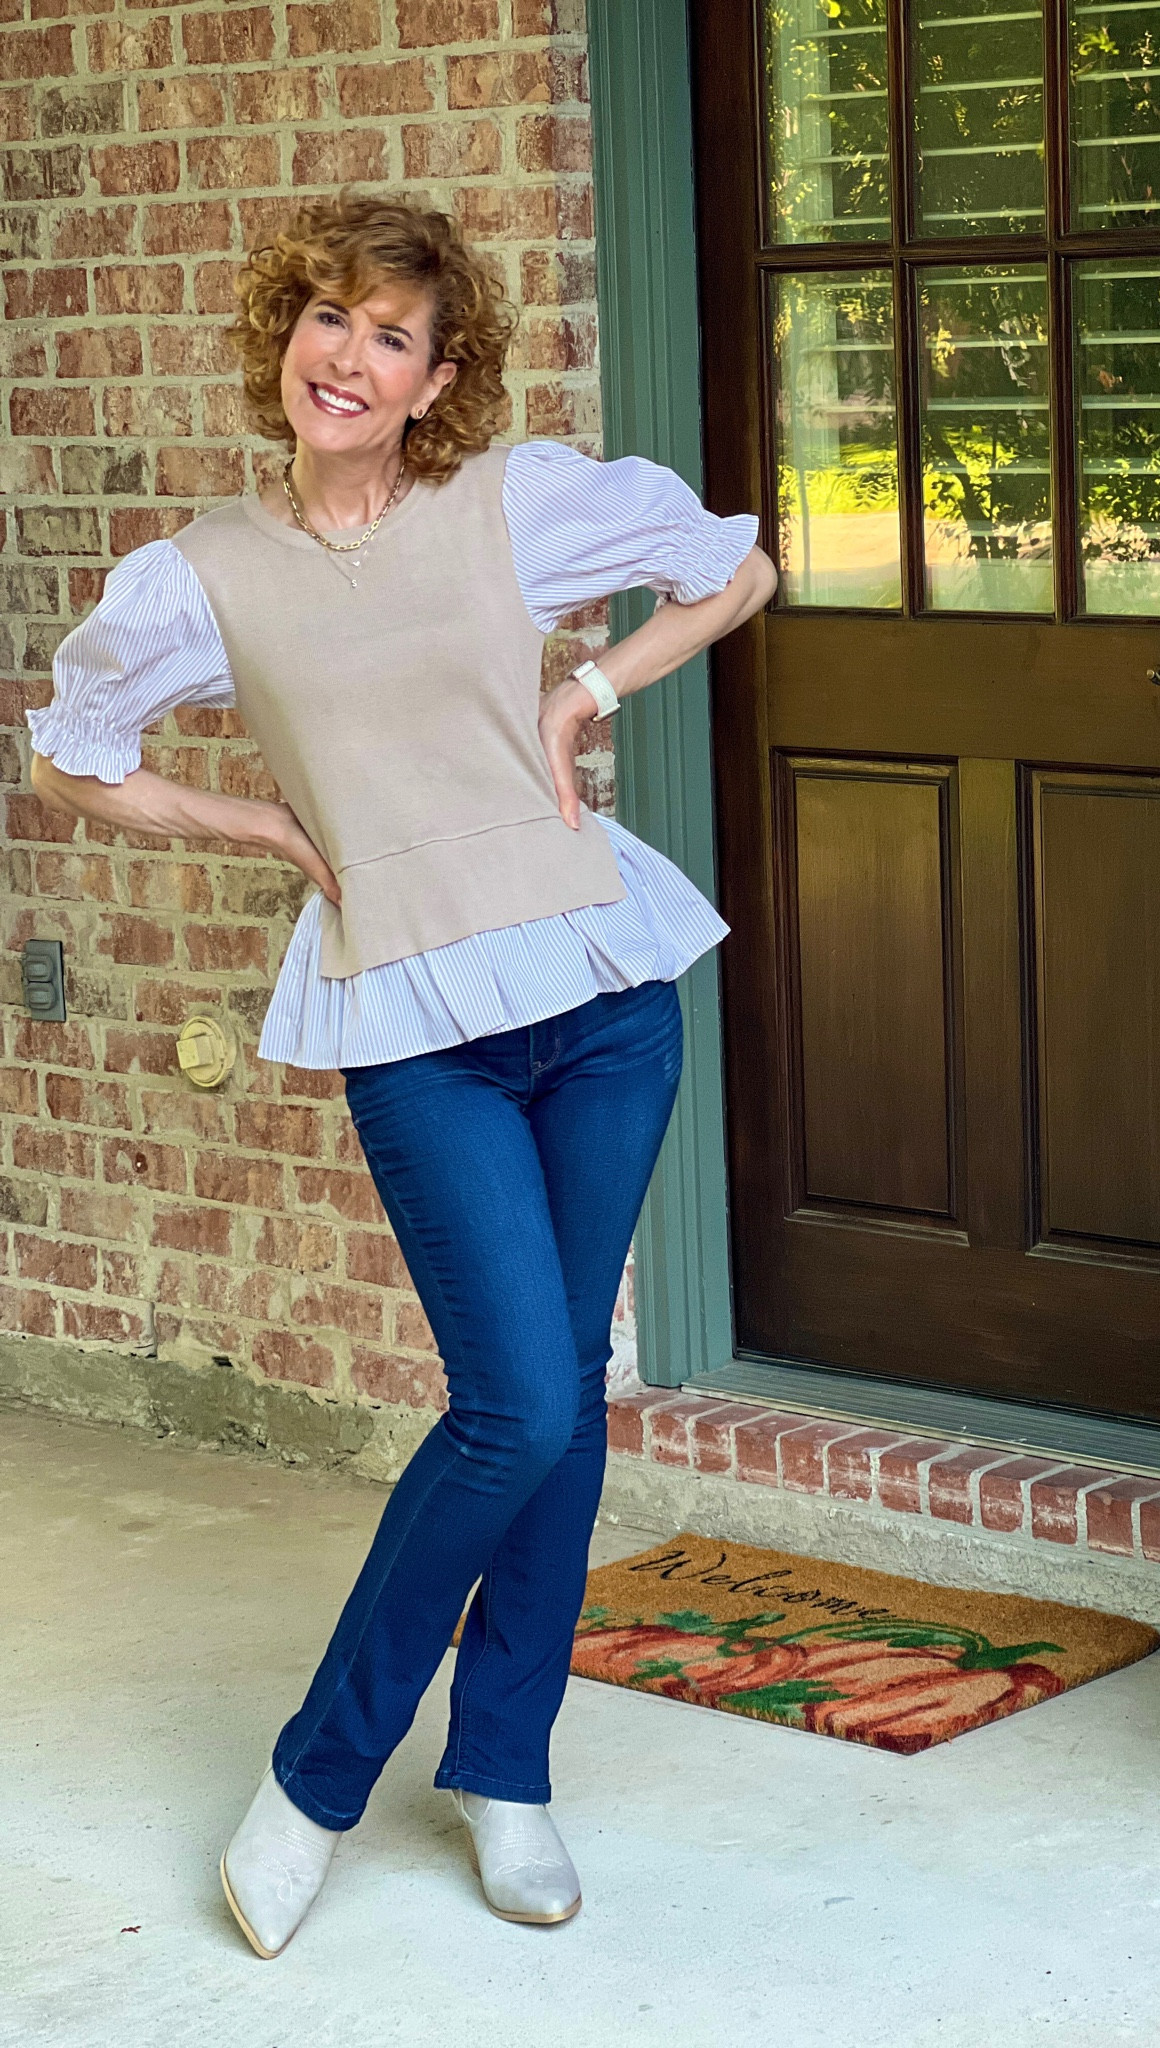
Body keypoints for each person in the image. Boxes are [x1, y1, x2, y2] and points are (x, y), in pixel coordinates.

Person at [26, 193, 777, 1959]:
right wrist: (263, 825)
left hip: (605, 997)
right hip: (415, 1026)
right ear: (284, 337)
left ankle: (506, 1768)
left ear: (439, 380)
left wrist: (591, 693)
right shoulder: (205, 573)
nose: (348, 359)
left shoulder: (510, 505)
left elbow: (732, 572)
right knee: (515, 1401)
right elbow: (74, 755)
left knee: (562, 1393)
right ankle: (316, 1780)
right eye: (328, 320)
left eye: (390, 336)